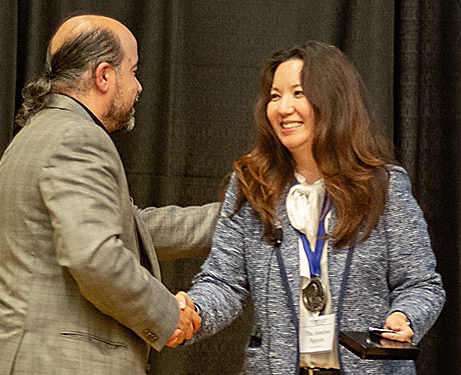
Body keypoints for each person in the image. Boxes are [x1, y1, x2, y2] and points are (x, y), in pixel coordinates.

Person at [0, 14, 218, 375]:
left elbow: (132, 228)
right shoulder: (77, 137)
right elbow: (96, 257)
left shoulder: (40, 132)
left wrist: (231, 218)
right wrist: (168, 316)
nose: (139, 87)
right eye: (133, 71)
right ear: (103, 76)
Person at [181, 41, 445, 374]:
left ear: (333, 101)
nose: (283, 108)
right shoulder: (252, 184)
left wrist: (403, 318)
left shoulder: (384, 186)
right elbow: (223, 282)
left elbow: (421, 285)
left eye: (298, 93)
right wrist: (193, 312)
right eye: (275, 96)